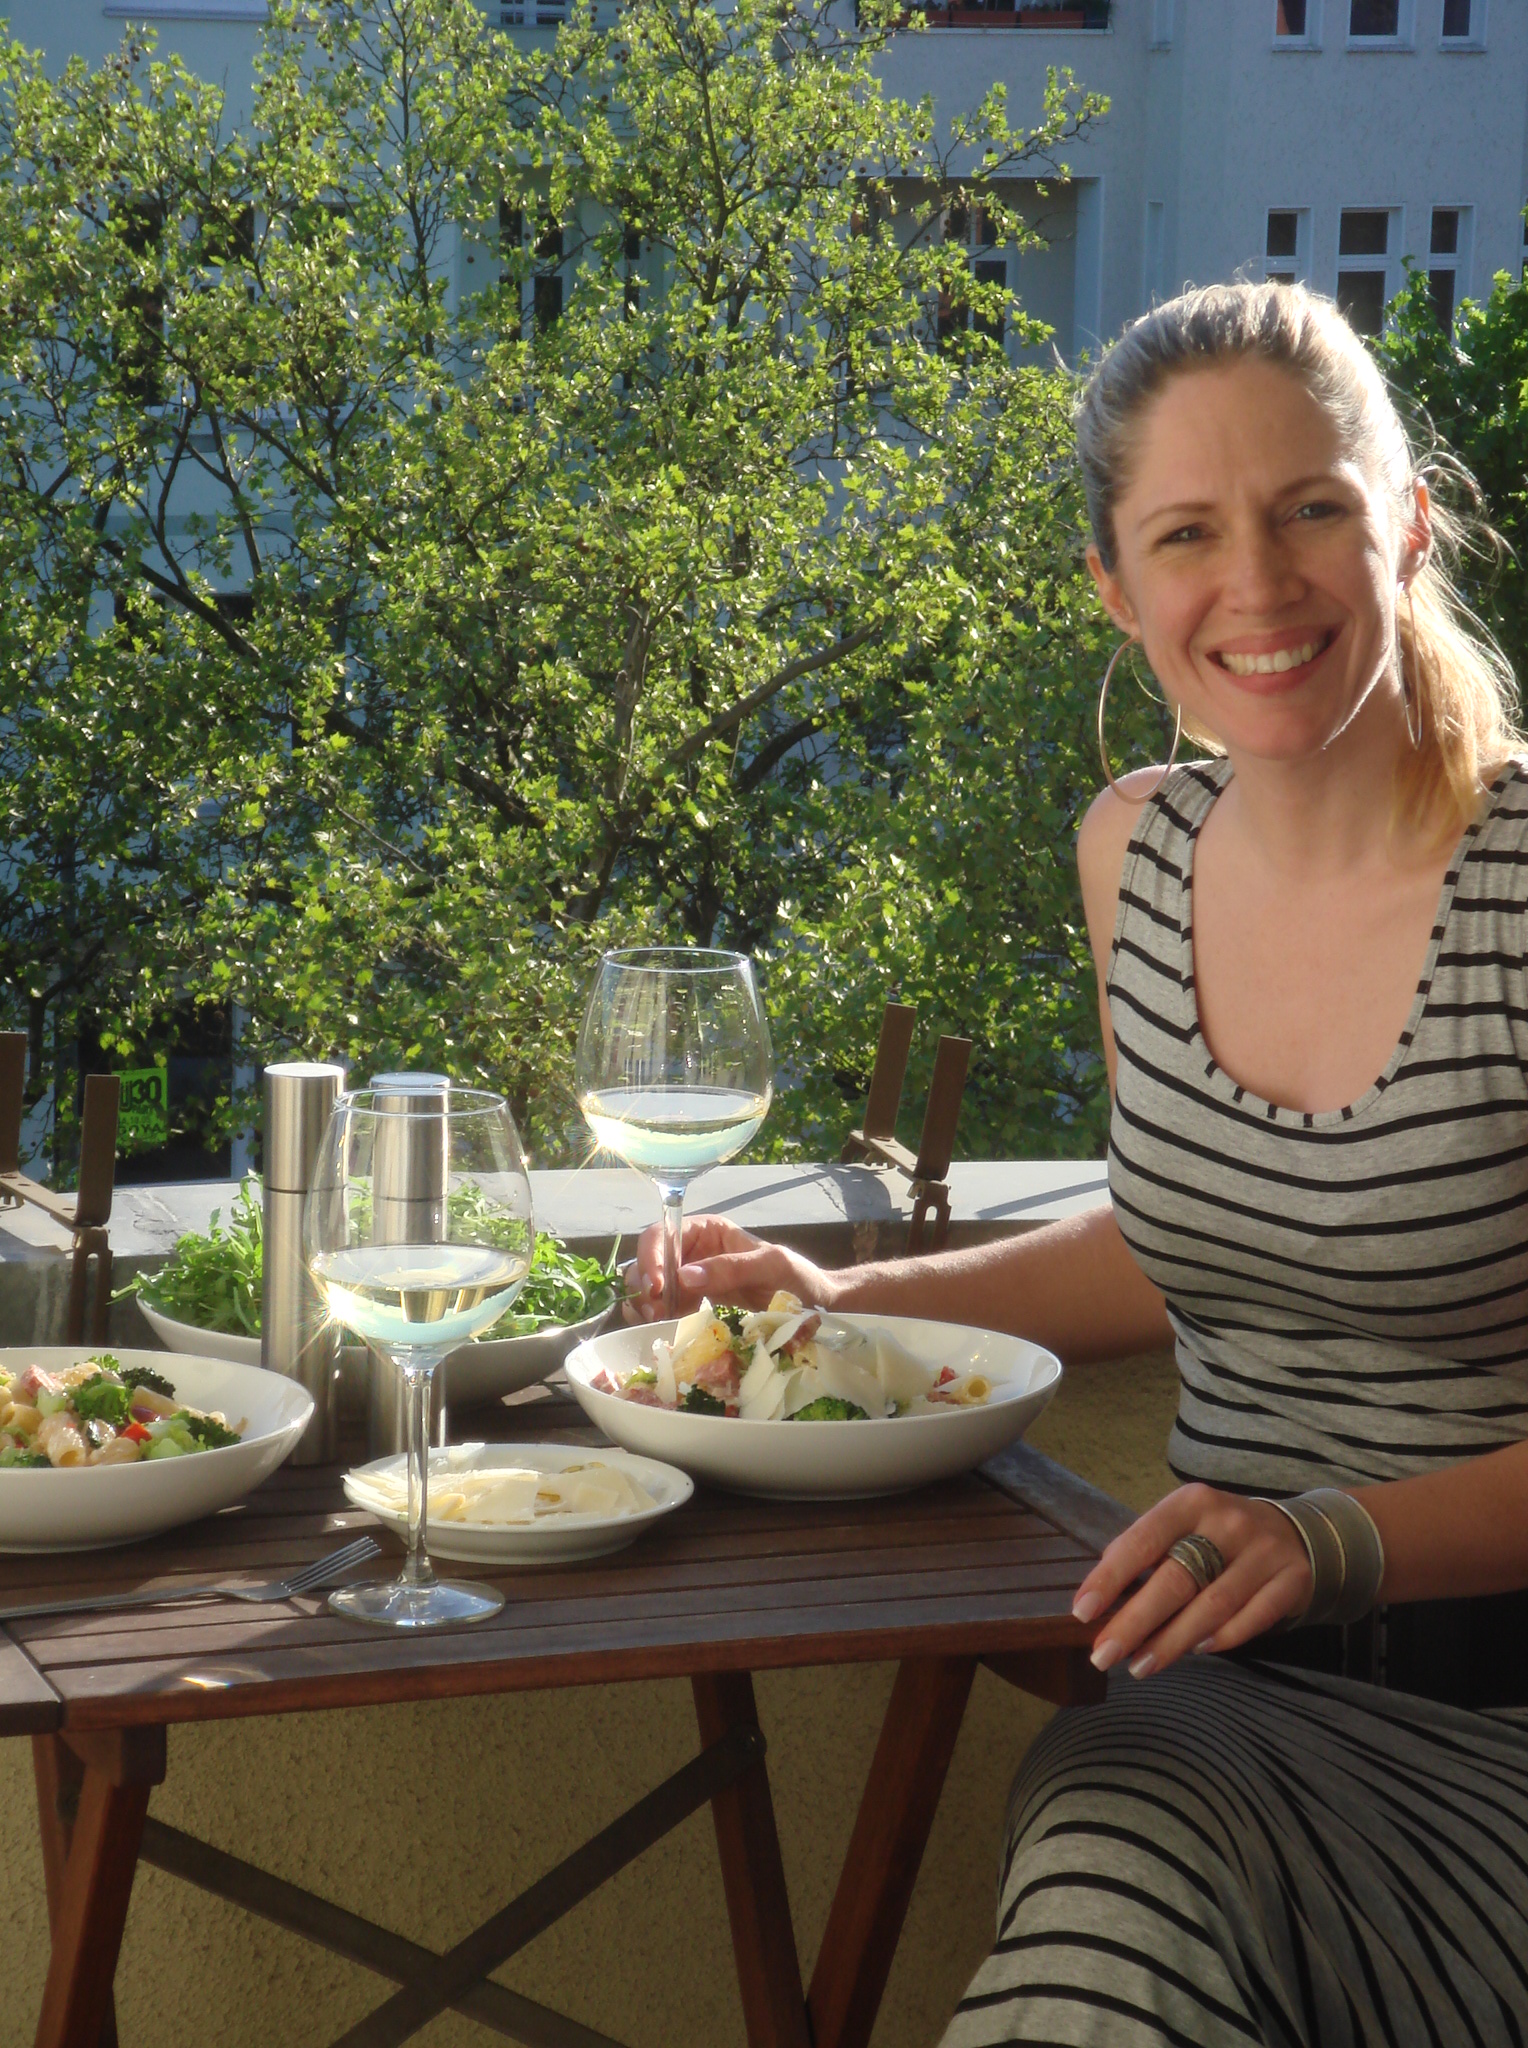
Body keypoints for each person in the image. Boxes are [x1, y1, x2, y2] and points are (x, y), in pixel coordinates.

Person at [623, 282, 1528, 2044]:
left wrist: (1332, 1540)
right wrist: (853, 1306)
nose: (1256, 583)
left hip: (1501, 1729)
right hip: (1218, 1705)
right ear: (1116, 587)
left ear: (1408, 525)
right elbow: (1191, 1237)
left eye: (1311, 510)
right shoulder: (1138, 854)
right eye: (1188, 534)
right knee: (1117, 1867)